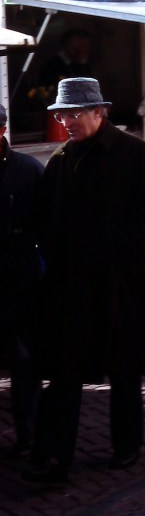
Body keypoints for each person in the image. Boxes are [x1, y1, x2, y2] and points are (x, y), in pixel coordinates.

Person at [23, 78, 145, 485]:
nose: (67, 122)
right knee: (65, 371)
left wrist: (115, 250)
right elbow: (45, 217)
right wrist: (53, 252)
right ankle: (52, 457)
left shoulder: (134, 154)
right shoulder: (61, 160)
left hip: (121, 283)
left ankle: (127, 444)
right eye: (61, 115)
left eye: (74, 114)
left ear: (99, 112)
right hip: (72, 287)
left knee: (124, 369)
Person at [0, 105, 44, 457]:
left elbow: (48, 225)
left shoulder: (28, 171)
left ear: (2, 131)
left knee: (23, 360)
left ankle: (27, 433)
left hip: (19, 279)